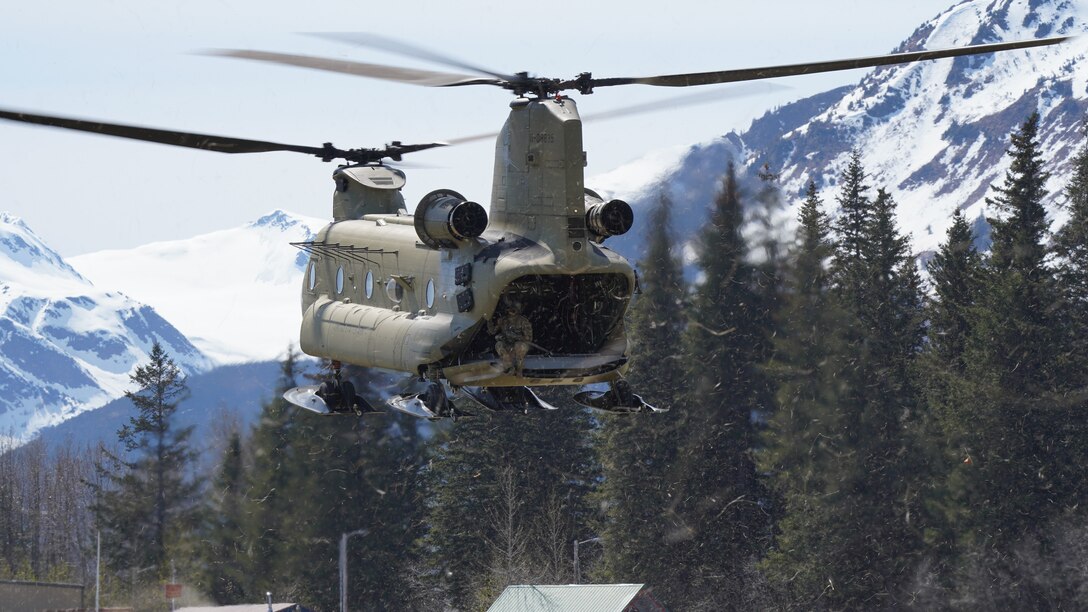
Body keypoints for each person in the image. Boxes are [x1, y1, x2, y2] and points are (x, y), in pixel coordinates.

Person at [488, 302, 533, 377]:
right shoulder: (503, 320)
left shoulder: (523, 321)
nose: (511, 312)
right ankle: (508, 368)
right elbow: (492, 331)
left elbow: (528, 338)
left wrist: (516, 337)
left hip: (520, 345)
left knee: (519, 347)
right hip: (507, 343)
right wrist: (489, 320)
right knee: (499, 345)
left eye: (513, 310)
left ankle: (519, 370)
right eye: (510, 309)